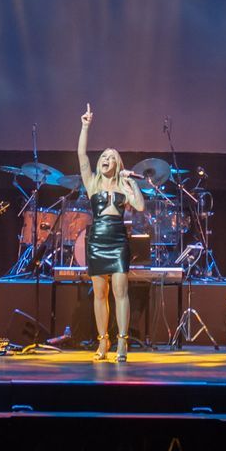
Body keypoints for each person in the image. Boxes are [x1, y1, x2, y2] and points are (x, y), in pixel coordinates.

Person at [77, 105, 145, 361]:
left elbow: (139, 206)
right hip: (97, 240)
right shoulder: (92, 182)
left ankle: (122, 342)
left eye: (111, 156)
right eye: (103, 156)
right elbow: (82, 155)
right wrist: (85, 126)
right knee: (99, 293)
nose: (106, 159)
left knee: (120, 290)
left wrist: (131, 182)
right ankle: (103, 341)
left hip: (117, 239)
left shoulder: (123, 185)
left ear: (117, 163)